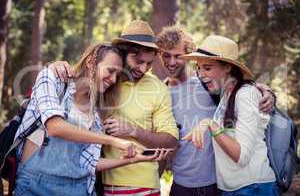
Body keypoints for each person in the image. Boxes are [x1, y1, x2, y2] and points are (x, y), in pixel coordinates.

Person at [13, 43, 164, 196]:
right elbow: (55, 127)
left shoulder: (97, 112)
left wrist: (131, 160)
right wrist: (113, 141)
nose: (112, 80)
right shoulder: (52, 78)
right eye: (110, 71)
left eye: (117, 76)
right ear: (91, 62)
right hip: (34, 186)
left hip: (77, 188)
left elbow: (88, 164)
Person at [49, 20, 179, 196]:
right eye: (138, 61)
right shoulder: (101, 82)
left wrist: (133, 131)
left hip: (140, 185)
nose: (143, 69)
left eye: (149, 63)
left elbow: (171, 143)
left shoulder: (158, 89)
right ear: (121, 54)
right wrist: (56, 67)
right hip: (93, 182)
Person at [156, 26, 275, 196]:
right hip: (185, 184)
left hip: (221, 183)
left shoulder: (211, 85)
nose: (172, 62)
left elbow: (244, 90)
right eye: (166, 56)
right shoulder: (162, 92)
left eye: (178, 56)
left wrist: (267, 92)